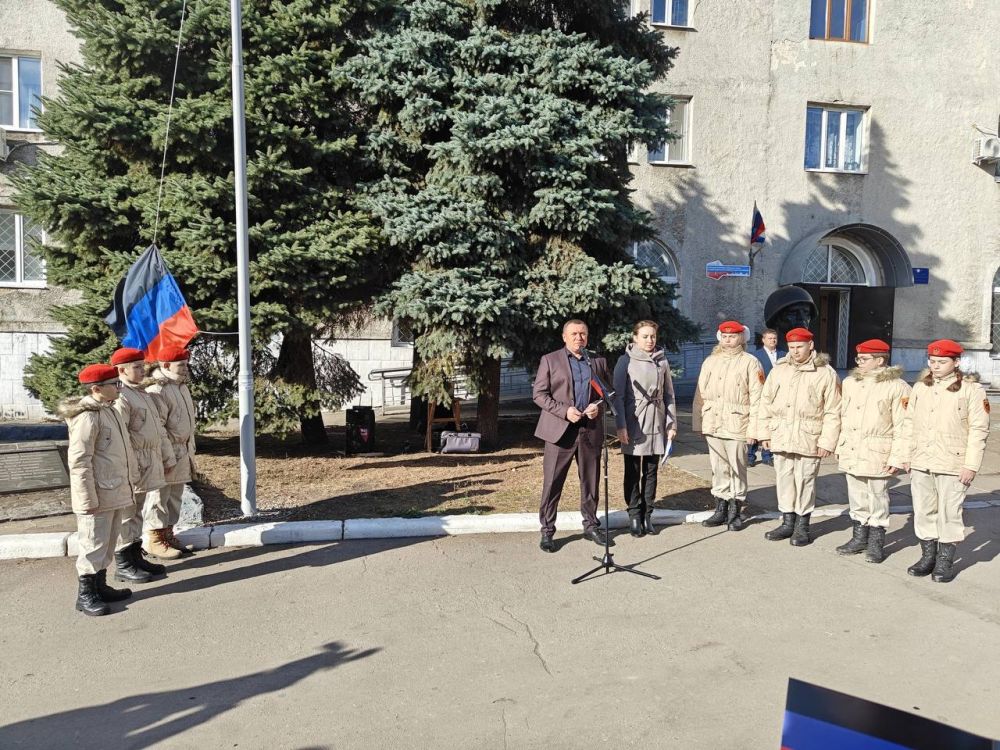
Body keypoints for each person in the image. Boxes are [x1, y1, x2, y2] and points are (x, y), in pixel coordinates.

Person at [902, 339, 990, 583]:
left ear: (956, 362)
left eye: (942, 362)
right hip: (921, 460)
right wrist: (905, 456)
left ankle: (944, 561)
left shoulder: (971, 390)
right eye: (932, 361)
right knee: (923, 510)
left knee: (949, 513)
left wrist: (971, 465)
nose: (936, 366)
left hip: (953, 462)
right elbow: (908, 423)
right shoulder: (921, 387)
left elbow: (978, 430)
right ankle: (928, 556)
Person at [58, 364, 139, 616]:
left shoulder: (109, 410)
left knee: (108, 540)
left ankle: (100, 586)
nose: (119, 387)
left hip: (113, 490)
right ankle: (85, 595)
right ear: (96, 389)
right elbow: (80, 461)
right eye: (114, 384)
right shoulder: (87, 416)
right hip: (97, 495)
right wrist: (85, 500)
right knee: (93, 543)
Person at [756, 328, 841, 546]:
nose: (795, 351)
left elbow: (833, 410)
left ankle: (802, 526)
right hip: (781, 434)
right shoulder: (779, 370)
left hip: (809, 437)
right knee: (784, 478)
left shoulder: (825, 373)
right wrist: (764, 432)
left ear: (810, 346)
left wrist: (827, 441)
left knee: (805, 481)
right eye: (792, 347)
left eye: (799, 347)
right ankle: (787, 522)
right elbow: (765, 403)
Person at [533, 320, 612, 552]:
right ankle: (547, 531)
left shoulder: (596, 361)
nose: (579, 338)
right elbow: (539, 394)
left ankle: (590, 525)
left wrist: (598, 405)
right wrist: (564, 411)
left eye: (583, 334)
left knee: (590, 481)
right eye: (574, 334)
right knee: (552, 483)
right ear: (564, 337)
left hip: (590, 430)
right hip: (560, 432)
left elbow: (607, 394)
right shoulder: (550, 360)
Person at [834, 340, 910, 564]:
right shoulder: (850, 383)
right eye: (858, 359)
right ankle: (859, 537)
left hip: (879, 449)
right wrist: (840, 444)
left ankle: (876, 542)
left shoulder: (897, 386)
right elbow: (843, 416)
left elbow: (904, 425)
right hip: (852, 446)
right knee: (856, 494)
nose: (859, 362)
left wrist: (897, 457)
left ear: (880, 360)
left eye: (864, 359)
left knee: (877, 496)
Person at [111, 347, 178, 571]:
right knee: (127, 515)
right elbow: (120, 437)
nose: (142, 370)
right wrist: (130, 466)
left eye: (142, 366)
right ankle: (124, 564)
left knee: (137, 511)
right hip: (134, 463)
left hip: (148, 460)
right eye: (136, 367)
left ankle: (135, 556)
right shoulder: (121, 397)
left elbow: (158, 428)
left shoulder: (141, 393)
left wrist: (167, 456)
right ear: (121, 370)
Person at [694, 321, 764, 532]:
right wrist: (699, 423)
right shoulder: (710, 361)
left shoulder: (750, 363)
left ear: (742, 338)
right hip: (713, 422)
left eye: (732, 336)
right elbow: (700, 394)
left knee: (737, 467)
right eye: (724, 336)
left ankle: (735, 510)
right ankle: (720, 507)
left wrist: (755, 430)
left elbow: (758, 398)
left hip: (738, 423)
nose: (728, 340)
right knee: (718, 467)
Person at [612, 320, 677, 537]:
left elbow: (669, 394)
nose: (650, 341)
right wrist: (620, 425)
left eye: (653, 337)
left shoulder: (662, 361)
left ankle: (647, 514)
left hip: (656, 422)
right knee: (632, 471)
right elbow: (618, 396)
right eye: (645, 336)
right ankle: (633, 514)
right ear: (635, 338)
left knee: (651, 471)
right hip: (634, 422)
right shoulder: (626, 361)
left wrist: (671, 423)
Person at [144, 347, 198, 558]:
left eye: (186, 364)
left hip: (182, 450)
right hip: (167, 452)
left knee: (174, 495)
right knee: (159, 496)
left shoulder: (180, 386)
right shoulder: (158, 390)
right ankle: (154, 539)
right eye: (181, 365)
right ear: (165, 365)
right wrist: (167, 455)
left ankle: (168, 534)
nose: (185, 369)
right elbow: (159, 427)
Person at [747, 328, 785, 467]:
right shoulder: (755, 356)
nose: (772, 341)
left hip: (778, 395)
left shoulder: (784, 355)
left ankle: (767, 455)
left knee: (771, 425)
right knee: (756, 423)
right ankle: (750, 456)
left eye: (774, 338)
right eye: (769, 338)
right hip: (761, 393)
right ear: (763, 340)